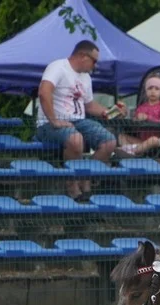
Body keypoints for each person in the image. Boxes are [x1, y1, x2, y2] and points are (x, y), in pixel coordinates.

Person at [33, 40, 117, 200]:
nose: (95, 66)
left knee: (109, 142)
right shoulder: (58, 67)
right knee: (75, 139)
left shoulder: (86, 78)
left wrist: (110, 112)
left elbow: (90, 105)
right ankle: (72, 186)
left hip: (78, 121)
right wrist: (54, 120)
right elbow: (44, 92)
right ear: (82, 56)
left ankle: (85, 177)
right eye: (94, 61)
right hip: (49, 123)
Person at [116, 74, 160, 158]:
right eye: (150, 88)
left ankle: (132, 151)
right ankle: (134, 150)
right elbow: (134, 124)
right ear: (146, 91)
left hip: (156, 140)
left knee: (154, 140)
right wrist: (136, 120)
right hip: (141, 141)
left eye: (156, 89)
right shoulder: (141, 107)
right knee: (121, 137)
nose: (153, 91)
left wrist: (148, 118)